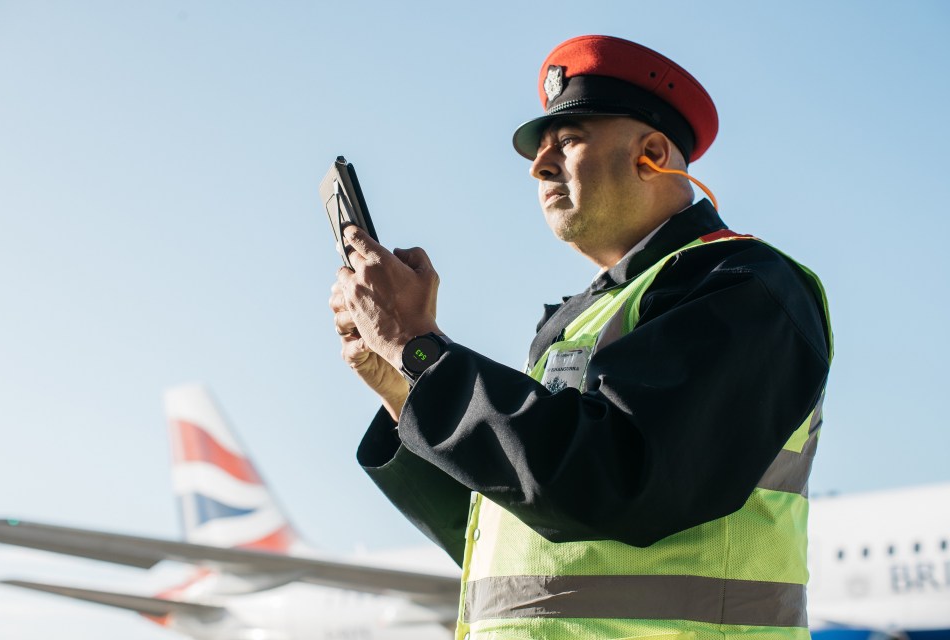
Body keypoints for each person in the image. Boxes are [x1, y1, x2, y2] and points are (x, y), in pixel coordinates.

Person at [330, 35, 832, 640]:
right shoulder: (576, 321)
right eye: (540, 152)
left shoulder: (745, 286)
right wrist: (400, 382)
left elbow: (617, 479)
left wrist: (418, 347)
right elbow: (514, 518)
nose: (540, 165)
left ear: (652, 152)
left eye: (568, 141)